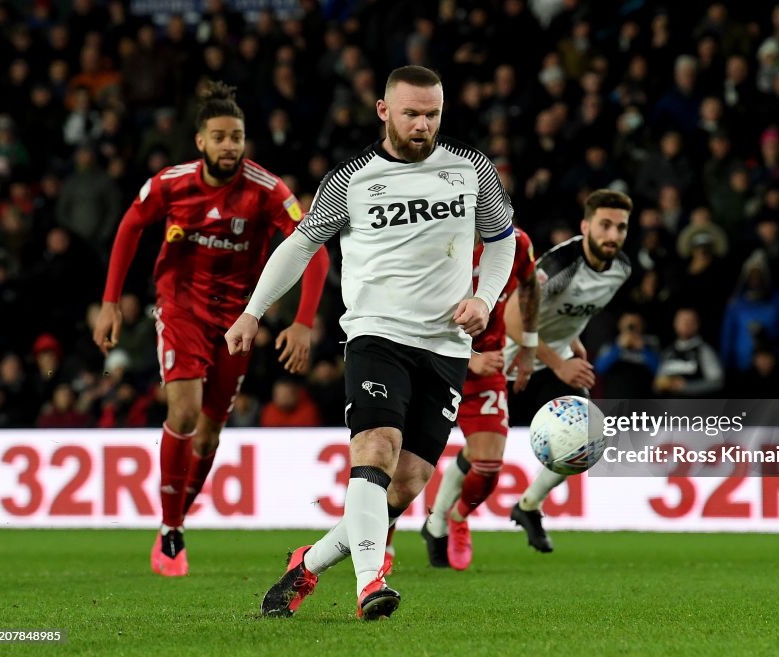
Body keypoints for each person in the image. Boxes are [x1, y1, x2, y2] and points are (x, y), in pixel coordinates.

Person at [224, 65, 516, 620]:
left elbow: (500, 242)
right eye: (411, 113)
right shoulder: (352, 180)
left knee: (403, 487)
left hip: (447, 346)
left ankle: (305, 563)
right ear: (383, 111)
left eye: (432, 114)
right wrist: (252, 312)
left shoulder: (470, 169)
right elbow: (301, 245)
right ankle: (369, 583)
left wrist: (484, 298)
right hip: (377, 334)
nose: (423, 124)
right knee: (374, 449)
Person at [93, 81, 330, 577]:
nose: (230, 145)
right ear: (200, 141)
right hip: (180, 311)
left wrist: (303, 322)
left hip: (236, 322)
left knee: (210, 434)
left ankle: (178, 518)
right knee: (184, 411)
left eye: (237, 136)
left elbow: (317, 247)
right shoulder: (170, 184)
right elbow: (130, 227)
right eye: (220, 137)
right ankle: (171, 529)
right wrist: (111, 301)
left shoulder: (267, 191)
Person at [504, 189, 633, 553]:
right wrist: (560, 362)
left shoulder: (621, 268)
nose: (612, 235)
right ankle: (438, 523)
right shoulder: (560, 265)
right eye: (605, 225)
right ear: (585, 226)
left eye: (620, 227)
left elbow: (575, 310)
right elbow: (513, 320)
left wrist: (571, 342)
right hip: (512, 359)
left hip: (555, 360)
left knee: (587, 438)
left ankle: (528, 506)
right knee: (482, 456)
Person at [420, 226, 539, 571]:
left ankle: (455, 517)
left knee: (488, 467)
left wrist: (529, 347)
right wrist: (469, 358)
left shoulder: (516, 242)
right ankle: (383, 549)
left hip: (488, 363)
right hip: (427, 359)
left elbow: (530, 287)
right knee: (400, 464)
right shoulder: (432, 240)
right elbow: (413, 310)